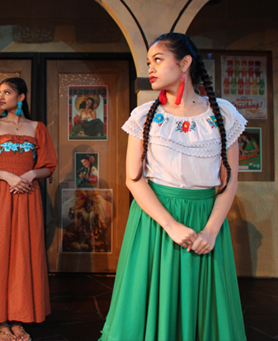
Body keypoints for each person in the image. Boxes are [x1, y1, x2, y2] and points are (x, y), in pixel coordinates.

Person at [100, 33, 247, 341]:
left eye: (158, 60)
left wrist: (210, 230)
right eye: (148, 62)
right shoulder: (144, 116)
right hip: (157, 221)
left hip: (205, 218)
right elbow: (134, 179)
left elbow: (230, 178)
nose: (150, 68)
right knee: (151, 301)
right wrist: (170, 226)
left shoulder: (222, 114)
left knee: (201, 307)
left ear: (185, 63)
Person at [0, 77, 57, 341]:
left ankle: (20, 318)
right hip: (1, 193)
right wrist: (8, 177)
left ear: (21, 97)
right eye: (0, 93)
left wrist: (31, 174)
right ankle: (0, 321)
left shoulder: (37, 127)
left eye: (7, 92)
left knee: (25, 251)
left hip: (28, 195)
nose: (1, 97)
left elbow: (49, 165)